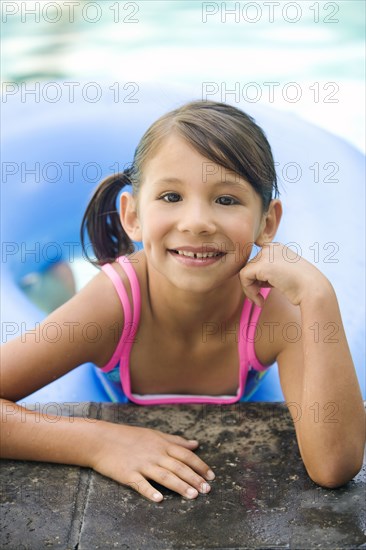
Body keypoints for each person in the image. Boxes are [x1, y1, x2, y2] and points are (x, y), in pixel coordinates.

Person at [1, 101, 364, 503]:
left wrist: (319, 297)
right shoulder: (111, 304)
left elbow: (334, 466)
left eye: (226, 200)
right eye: (171, 196)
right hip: (109, 330)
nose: (196, 222)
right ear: (132, 215)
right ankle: (54, 286)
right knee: (57, 305)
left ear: (268, 223)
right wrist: (98, 443)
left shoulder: (273, 310)